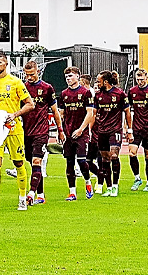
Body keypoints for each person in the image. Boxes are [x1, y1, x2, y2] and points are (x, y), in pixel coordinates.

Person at [0, 52, 35, 213]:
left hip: (14, 128)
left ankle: (23, 199)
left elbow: (30, 104)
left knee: (18, 163)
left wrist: (14, 115)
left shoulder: (16, 82)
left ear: (6, 64)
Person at [19, 60, 63, 205]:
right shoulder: (22, 88)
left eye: (31, 74)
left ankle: (31, 194)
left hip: (41, 131)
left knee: (37, 160)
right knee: (32, 163)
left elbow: (55, 111)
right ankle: (41, 195)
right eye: (26, 75)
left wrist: (60, 130)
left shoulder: (47, 88)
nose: (29, 77)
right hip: (26, 132)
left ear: (38, 71)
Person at [87, 70, 130, 197]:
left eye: (98, 81)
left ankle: (115, 186)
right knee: (105, 159)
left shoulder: (120, 94)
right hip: (102, 131)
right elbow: (93, 114)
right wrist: (89, 129)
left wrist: (129, 130)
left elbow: (127, 112)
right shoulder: (97, 95)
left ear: (105, 81)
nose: (97, 83)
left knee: (114, 156)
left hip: (115, 130)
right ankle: (109, 187)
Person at [59, 66, 94, 201]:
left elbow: (90, 113)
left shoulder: (86, 93)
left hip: (81, 133)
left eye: (71, 76)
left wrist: (81, 129)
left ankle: (87, 182)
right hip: (68, 133)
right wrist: (61, 131)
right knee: (69, 162)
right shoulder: (63, 94)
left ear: (78, 76)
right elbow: (61, 114)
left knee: (81, 161)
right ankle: (72, 192)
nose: (68, 79)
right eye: (67, 77)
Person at [126, 69, 148, 192]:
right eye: (138, 79)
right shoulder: (132, 92)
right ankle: (137, 178)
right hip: (136, 128)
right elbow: (128, 110)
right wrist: (128, 127)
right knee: (132, 153)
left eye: (142, 79)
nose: (140, 81)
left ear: (147, 77)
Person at [80, 74, 103, 192]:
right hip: (92, 131)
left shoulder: (92, 95)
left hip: (100, 131)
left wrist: (88, 129)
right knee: (87, 160)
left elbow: (92, 115)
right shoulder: (86, 95)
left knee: (101, 158)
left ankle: (100, 184)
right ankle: (100, 175)